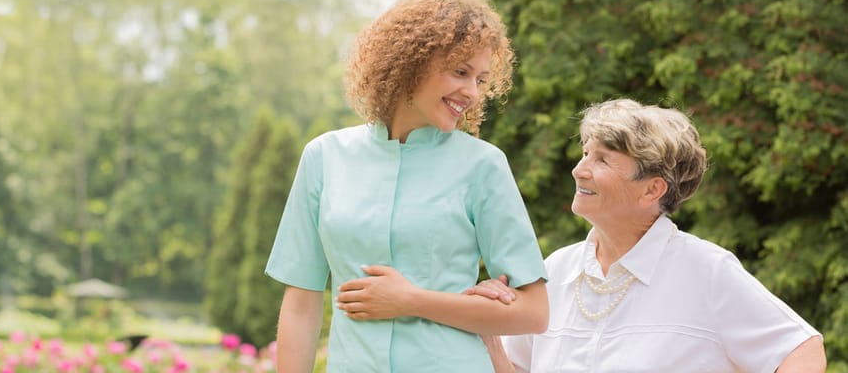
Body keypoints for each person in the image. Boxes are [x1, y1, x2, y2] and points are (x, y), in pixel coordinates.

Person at [342, 99, 828, 372]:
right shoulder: (556, 269)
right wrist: (491, 338)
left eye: (602, 160)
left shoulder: (707, 271)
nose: (579, 169)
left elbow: (802, 351)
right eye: (585, 153)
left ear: (652, 188)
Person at [264, 0, 549, 373]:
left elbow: (533, 313)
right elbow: (301, 303)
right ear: (410, 63)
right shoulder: (324, 157)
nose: (472, 92)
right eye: (460, 72)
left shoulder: (483, 166)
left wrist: (412, 300)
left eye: (482, 80)